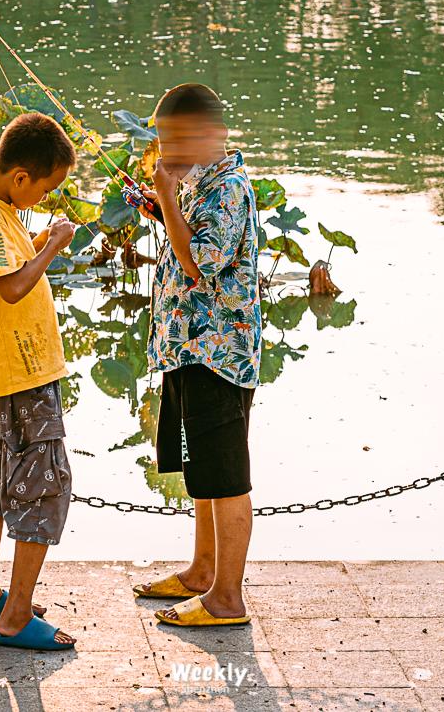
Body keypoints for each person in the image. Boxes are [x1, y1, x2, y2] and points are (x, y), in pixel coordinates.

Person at [132, 83, 262, 628]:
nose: (164, 150)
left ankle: (227, 598)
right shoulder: (201, 184)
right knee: (202, 472)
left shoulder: (228, 187)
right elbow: (192, 245)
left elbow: (199, 264)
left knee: (226, 475)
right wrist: (166, 208)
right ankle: (203, 570)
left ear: (211, 135)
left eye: (173, 138)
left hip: (218, 356)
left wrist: (165, 198)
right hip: (190, 349)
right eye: (161, 138)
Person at [0, 111, 79, 651]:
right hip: (24, 374)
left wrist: (35, 234)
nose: (43, 197)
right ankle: (16, 617)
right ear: (20, 177)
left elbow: (4, 262)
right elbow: (9, 286)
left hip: (6, 371)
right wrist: (51, 246)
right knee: (43, 484)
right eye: (44, 187)